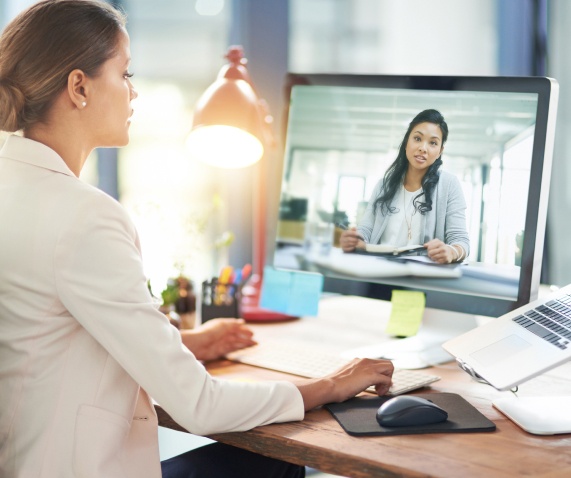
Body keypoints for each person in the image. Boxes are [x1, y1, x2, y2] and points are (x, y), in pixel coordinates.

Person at [0, 1, 394, 477]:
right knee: (270, 465)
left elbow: (48, 333)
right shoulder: (84, 217)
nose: (134, 92)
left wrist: (184, 343)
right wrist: (331, 384)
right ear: (79, 87)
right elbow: (200, 406)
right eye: (125, 74)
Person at [340, 109, 470, 264]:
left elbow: (461, 242)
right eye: (417, 138)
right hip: (377, 270)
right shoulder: (384, 185)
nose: (423, 148)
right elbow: (366, 230)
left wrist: (451, 251)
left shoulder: (449, 185)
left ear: (440, 151)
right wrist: (354, 240)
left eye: (433, 143)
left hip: (420, 276)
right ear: (407, 141)